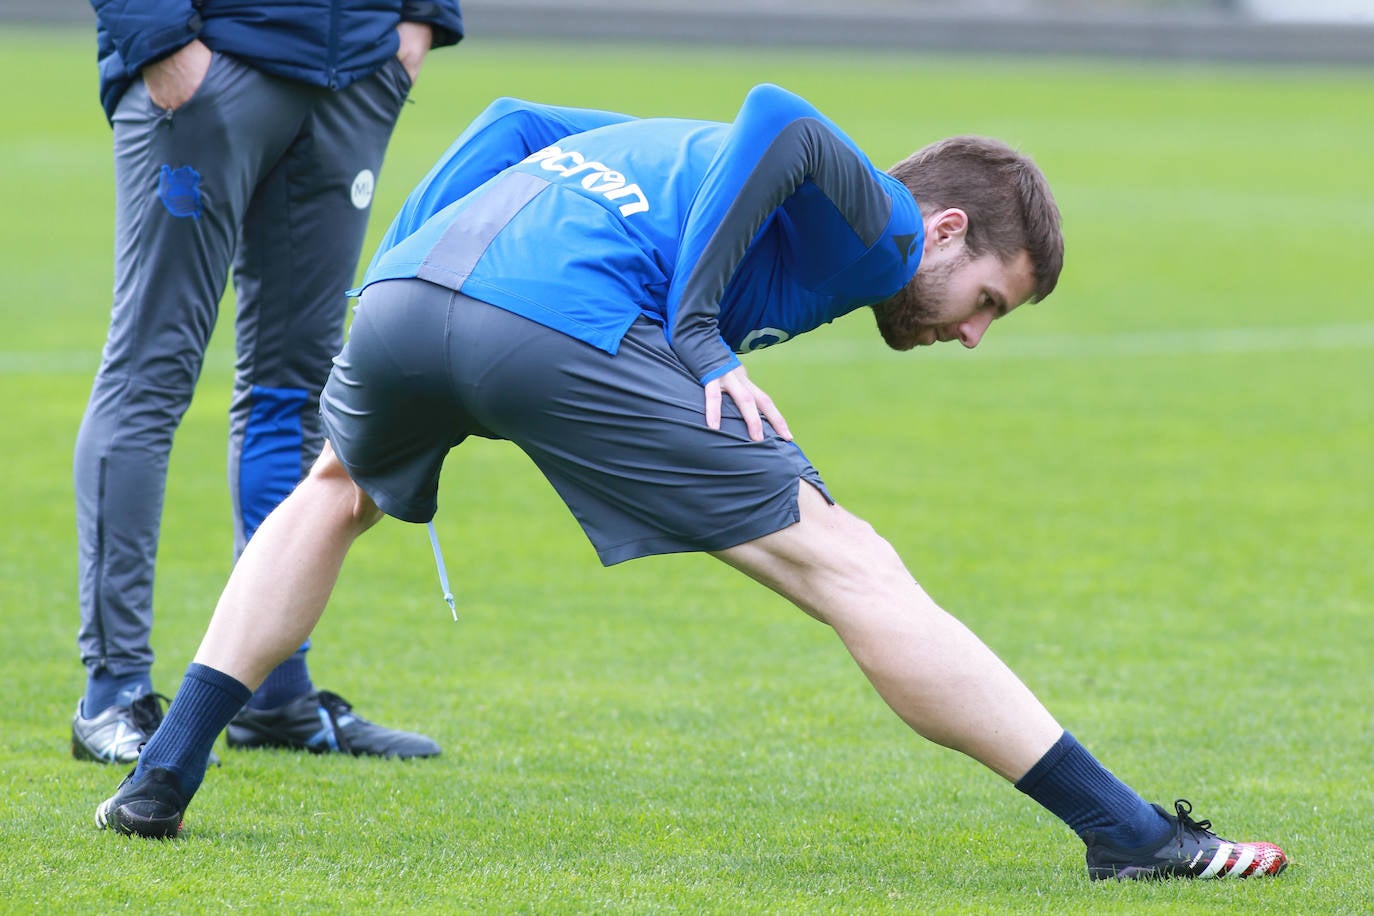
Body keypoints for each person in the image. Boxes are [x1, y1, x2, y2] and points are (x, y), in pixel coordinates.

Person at [93, 85, 1288, 881]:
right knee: (852, 563)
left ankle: (160, 780)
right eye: (987, 303)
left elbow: (510, 121)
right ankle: (1125, 832)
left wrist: (403, 256)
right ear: (945, 228)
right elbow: (782, 117)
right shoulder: (881, 219)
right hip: (557, 322)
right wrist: (702, 332)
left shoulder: (666, 147)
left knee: (331, 491)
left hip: (411, 298)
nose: (971, 336)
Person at [72, 0, 465, 765]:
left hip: (353, 70)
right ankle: (113, 692)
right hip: (211, 59)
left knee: (299, 393)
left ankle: (275, 694)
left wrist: (420, 20)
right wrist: (158, 40)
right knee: (149, 378)